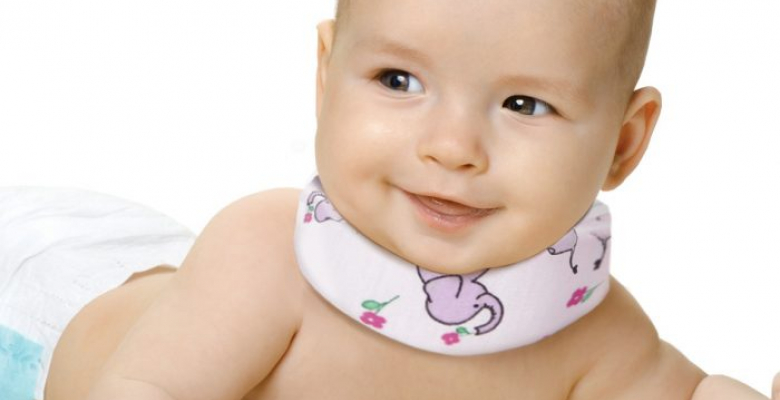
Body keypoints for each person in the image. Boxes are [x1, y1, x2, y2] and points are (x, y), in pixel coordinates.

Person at [34, 0, 777, 398]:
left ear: (623, 143)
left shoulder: (594, 339)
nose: (452, 147)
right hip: (43, 299)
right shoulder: (266, 254)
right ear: (326, 77)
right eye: (398, 81)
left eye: (524, 103)